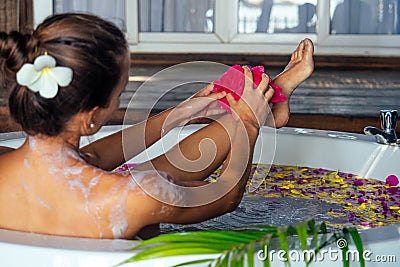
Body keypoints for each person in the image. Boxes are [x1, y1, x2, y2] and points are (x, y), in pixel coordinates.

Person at [0, 13, 314, 239]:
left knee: (123, 177)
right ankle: (261, 110)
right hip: (118, 208)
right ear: (91, 116)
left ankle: (266, 106)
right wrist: (247, 123)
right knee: (150, 179)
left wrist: (179, 114)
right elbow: (223, 197)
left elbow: (83, 162)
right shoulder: (136, 196)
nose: (118, 103)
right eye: (119, 94)